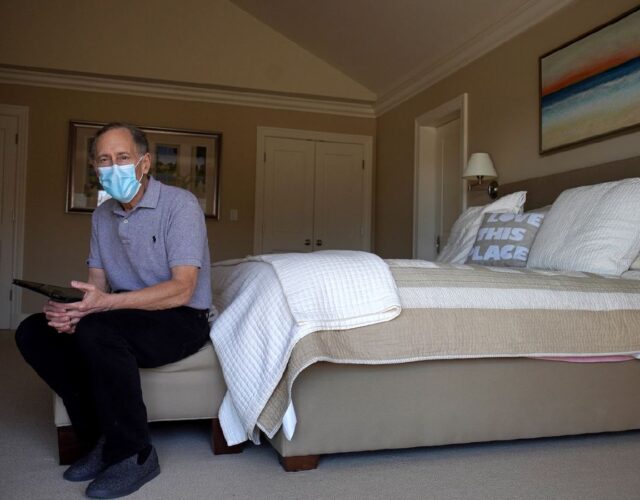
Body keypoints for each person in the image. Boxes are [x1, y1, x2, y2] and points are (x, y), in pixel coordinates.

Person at [15, 123, 212, 498]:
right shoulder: (102, 215)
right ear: (95, 168)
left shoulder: (180, 205)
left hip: (180, 318)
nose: (113, 166)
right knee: (35, 331)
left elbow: (182, 289)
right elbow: (98, 284)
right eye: (104, 160)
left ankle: (136, 454)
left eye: (122, 157)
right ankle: (101, 441)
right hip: (123, 313)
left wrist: (103, 308)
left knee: (98, 330)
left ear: (144, 163)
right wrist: (74, 310)